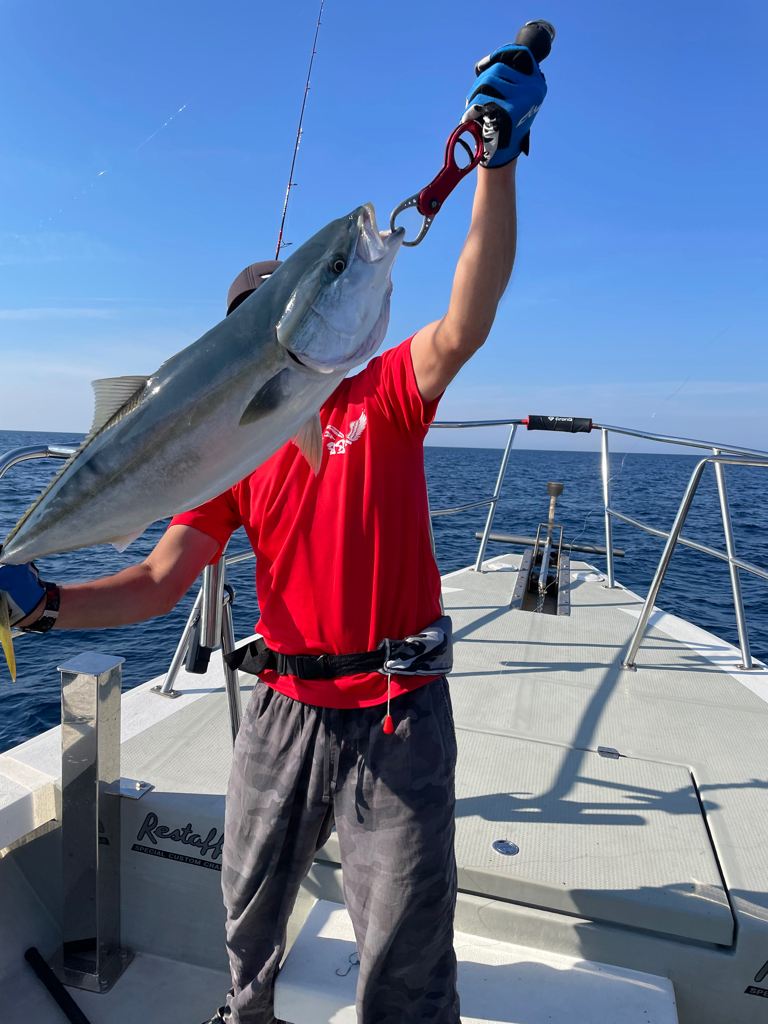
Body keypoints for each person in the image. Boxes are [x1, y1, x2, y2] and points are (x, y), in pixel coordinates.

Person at [1, 42, 547, 1024]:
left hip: (397, 708)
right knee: (246, 924)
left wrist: (495, 167)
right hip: (282, 705)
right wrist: (39, 604)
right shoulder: (226, 453)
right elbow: (159, 581)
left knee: (405, 954)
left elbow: (468, 317)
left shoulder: (384, 394)